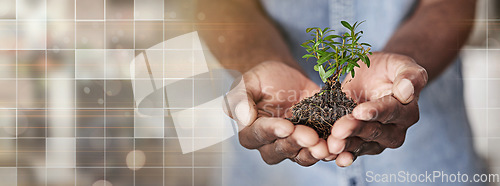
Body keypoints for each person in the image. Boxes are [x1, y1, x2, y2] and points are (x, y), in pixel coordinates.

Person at [197, 0, 485, 185]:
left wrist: (403, 68)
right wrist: (259, 61)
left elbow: (451, 5)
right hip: (273, 173)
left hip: (427, 160)